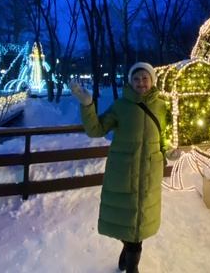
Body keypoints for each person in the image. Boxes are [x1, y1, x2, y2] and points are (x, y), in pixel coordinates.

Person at [70, 62, 180, 273]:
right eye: (136, 79)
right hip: (124, 173)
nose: (141, 82)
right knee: (129, 222)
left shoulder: (162, 106)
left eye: (145, 78)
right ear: (130, 81)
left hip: (149, 173)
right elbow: (96, 130)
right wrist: (87, 104)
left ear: (152, 80)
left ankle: (130, 262)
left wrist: (170, 150)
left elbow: (165, 137)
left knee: (139, 224)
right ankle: (130, 259)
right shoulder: (121, 106)